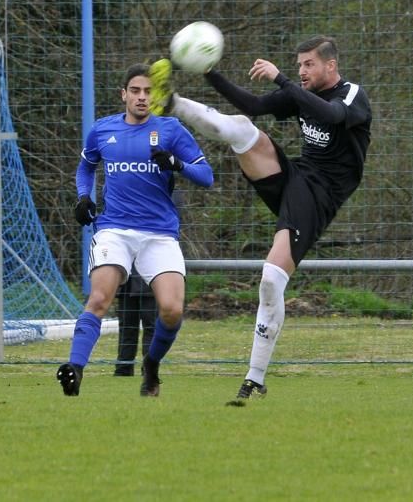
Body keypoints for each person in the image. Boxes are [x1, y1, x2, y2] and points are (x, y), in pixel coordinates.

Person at [148, 35, 371, 400]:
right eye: (299, 65)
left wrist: (282, 79)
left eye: (309, 65)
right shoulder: (302, 90)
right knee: (241, 128)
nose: (302, 71)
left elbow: (331, 115)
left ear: (331, 66)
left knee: (270, 280)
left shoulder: (351, 95)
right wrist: (210, 72)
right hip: (296, 177)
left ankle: (254, 377)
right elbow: (251, 105)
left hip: (319, 197)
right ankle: (171, 102)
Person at [57, 63, 213, 397]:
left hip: (159, 233)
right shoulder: (102, 130)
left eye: (148, 92)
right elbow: (85, 167)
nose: (142, 97)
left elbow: (207, 176)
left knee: (171, 310)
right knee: (99, 297)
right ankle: (75, 370)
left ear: (155, 96)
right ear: (123, 94)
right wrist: (84, 197)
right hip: (115, 230)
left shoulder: (171, 130)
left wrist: (177, 164)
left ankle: (151, 365)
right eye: (136, 91)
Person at [114, 272, 157, 376]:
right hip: (127, 283)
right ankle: (123, 369)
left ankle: (149, 370)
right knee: (127, 327)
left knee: (151, 328)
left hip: (150, 280)